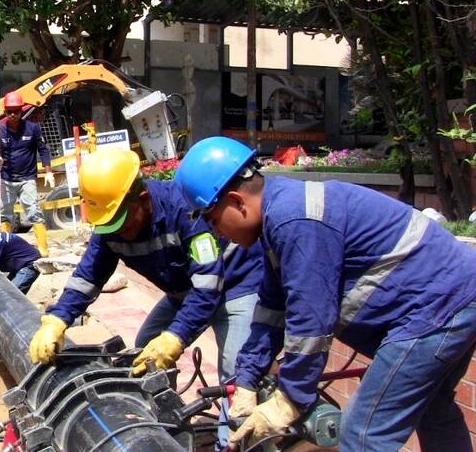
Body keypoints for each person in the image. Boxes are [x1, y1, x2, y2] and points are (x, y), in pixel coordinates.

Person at [175, 136, 476, 451]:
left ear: (237, 201)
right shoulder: (281, 216)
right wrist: (247, 379)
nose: (217, 233)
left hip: (437, 308)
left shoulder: (295, 220)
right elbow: (272, 309)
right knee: (433, 410)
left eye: (213, 221)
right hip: (454, 297)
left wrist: (289, 399)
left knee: (362, 434)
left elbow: (310, 321)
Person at [28, 148, 264, 449]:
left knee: (238, 373)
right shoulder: (112, 227)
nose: (119, 233)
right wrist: (57, 319)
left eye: (122, 222)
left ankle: (238, 443)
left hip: (235, 284)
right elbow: (87, 277)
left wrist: (176, 337)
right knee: (144, 355)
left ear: (142, 200)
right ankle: (166, 431)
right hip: (187, 292)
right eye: (109, 225)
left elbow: (208, 288)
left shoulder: (183, 211)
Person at [0, 91, 54, 256]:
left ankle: (43, 248)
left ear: (21, 111)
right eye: (9, 111)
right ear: (5, 111)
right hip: (6, 179)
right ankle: (5, 249)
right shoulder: (0, 129)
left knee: (33, 212)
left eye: (16, 111)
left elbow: (43, 149)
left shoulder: (32, 128)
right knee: (5, 215)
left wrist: (48, 171)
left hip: (27, 179)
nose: (12, 114)